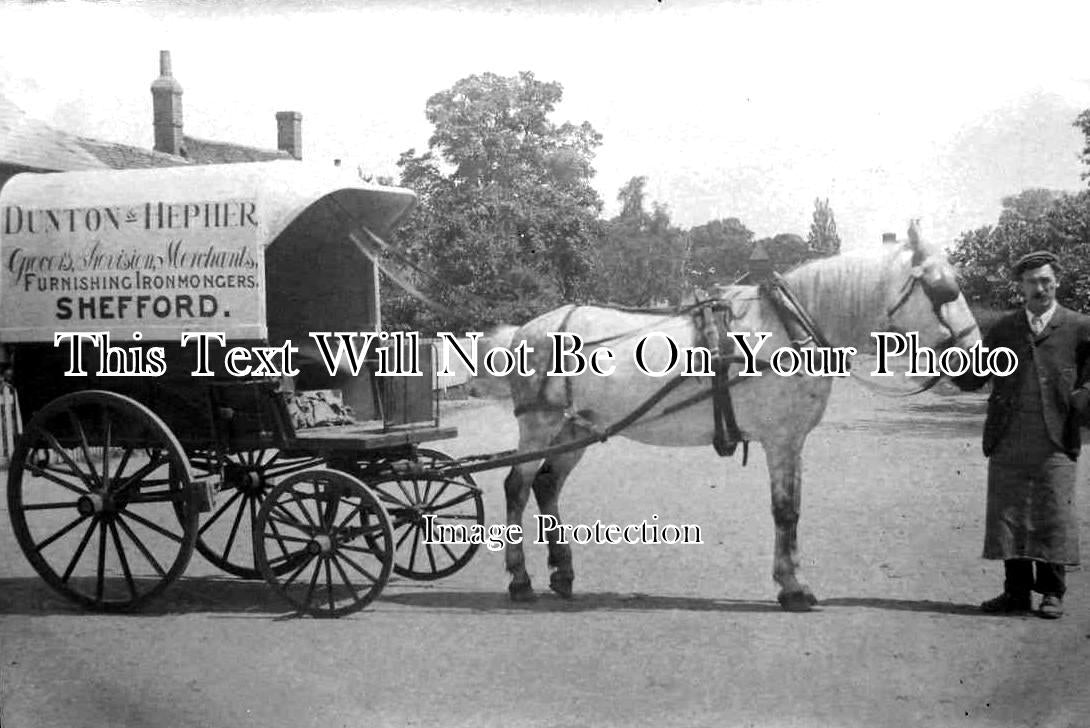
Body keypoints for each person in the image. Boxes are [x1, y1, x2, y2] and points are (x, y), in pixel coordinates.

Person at [953, 250, 1090, 619]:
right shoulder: (1004, 328)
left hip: (1056, 437)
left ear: (1056, 282)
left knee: (1052, 513)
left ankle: (1051, 593)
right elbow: (974, 376)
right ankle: (1015, 593)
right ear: (1021, 287)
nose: (1040, 288)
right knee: (1009, 516)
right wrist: (948, 355)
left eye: (1046, 281)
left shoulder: (1079, 326)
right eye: (1032, 282)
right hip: (1009, 435)